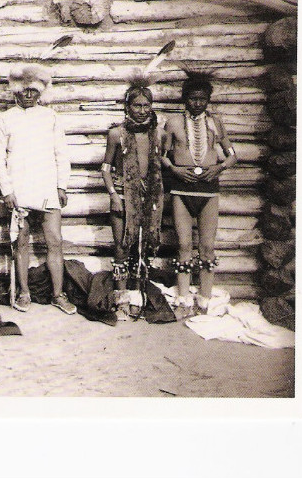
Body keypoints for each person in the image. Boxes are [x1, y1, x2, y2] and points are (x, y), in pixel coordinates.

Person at [0, 64, 76, 314]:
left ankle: (58, 294)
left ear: (40, 91)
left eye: (33, 90)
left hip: (47, 186)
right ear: (15, 91)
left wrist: (62, 185)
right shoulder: (5, 119)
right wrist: (7, 190)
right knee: (21, 242)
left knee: (55, 241)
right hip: (19, 189)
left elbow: (61, 153)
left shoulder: (50, 117)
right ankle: (24, 292)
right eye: (24, 90)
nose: (28, 95)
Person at [161, 75, 237, 316]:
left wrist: (219, 167)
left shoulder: (216, 122)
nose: (197, 103)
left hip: (208, 190)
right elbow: (162, 155)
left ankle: (204, 299)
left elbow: (232, 154)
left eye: (202, 99)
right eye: (192, 99)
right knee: (184, 245)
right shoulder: (172, 123)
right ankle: (183, 298)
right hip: (181, 189)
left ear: (208, 100)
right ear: (185, 99)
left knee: (206, 246)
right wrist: (174, 169)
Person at [101, 76, 166, 320]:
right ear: (127, 106)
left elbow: (161, 166)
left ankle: (138, 292)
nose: (141, 111)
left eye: (146, 106)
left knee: (144, 245)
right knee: (122, 246)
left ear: (151, 107)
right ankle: (121, 296)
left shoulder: (158, 134)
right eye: (136, 106)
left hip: (148, 198)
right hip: (123, 196)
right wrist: (113, 195)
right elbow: (106, 168)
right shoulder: (116, 134)